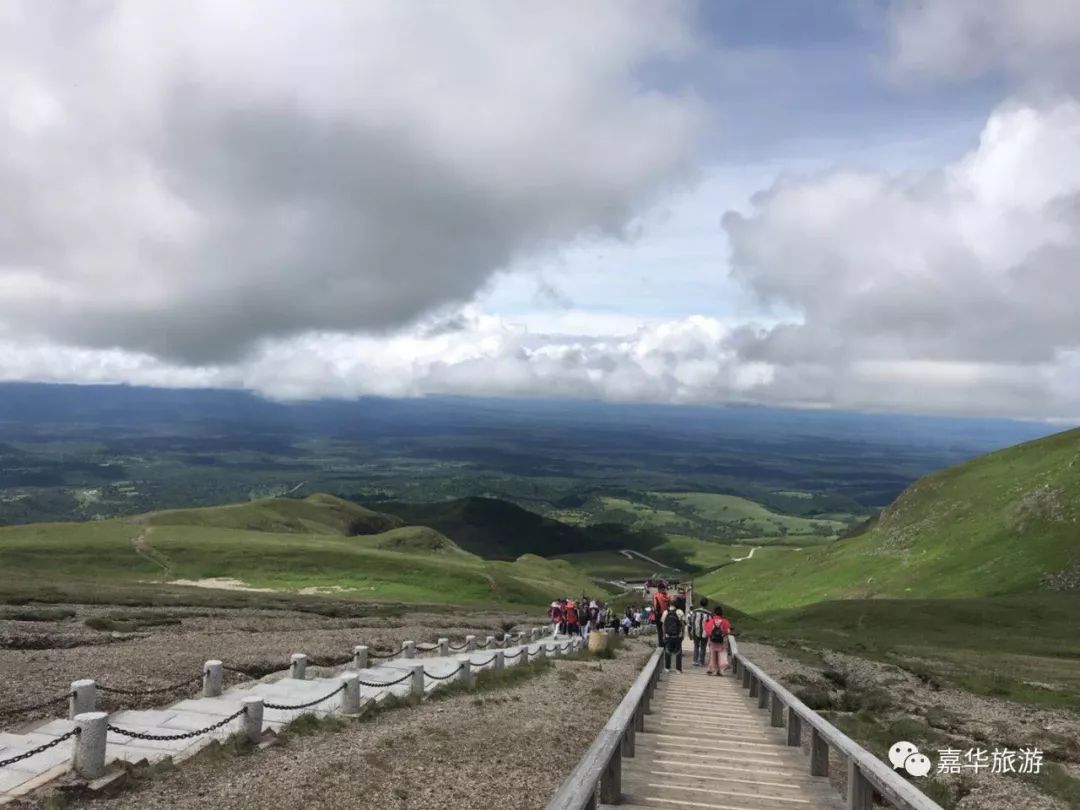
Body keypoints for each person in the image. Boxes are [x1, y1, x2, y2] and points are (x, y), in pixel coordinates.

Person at [704, 605, 732, 676]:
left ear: (714, 613)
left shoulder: (711, 621)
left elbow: (707, 631)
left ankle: (712, 668)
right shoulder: (724, 621)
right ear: (721, 613)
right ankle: (721, 668)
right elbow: (728, 631)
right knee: (722, 654)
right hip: (721, 641)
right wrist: (723, 634)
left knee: (713, 656)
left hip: (713, 641)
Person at [660, 602, 685, 673]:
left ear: (669, 604)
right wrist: (682, 634)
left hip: (668, 635)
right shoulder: (680, 612)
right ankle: (678, 669)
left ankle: (667, 668)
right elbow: (682, 625)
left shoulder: (665, 612)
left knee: (667, 651)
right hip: (677, 635)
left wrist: (663, 635)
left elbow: (663, 625)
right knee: (678, 652)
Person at [688, 596, 710, 667]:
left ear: (700, 603)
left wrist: (690, 631)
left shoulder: (695, 611)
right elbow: (709, 624)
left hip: (695, 631)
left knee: (696, 646)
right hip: (704, 632)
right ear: (706, 604)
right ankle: (701, 661)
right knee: (703, 647)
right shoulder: (709, 613)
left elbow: (691, 621)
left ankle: (695, 660)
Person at [652, 583, 670, 648]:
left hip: (658, 614)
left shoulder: (656, 595)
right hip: (666, 614)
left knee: (659, 629)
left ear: (658, 589)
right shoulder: (667, 596)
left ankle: (661, 643)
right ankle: (667, 642)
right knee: (666, 628)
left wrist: (655, 611)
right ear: (664, 588)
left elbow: (655, 605)